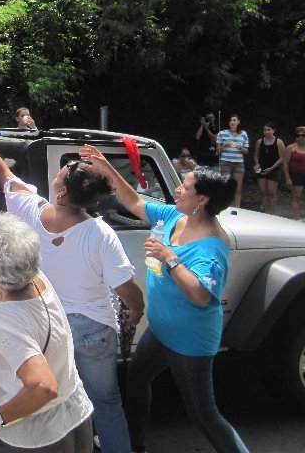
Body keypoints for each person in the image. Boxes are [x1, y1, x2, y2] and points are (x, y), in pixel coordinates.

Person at [0, 108, 144, 453]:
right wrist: (135, 310)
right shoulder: (101, 233)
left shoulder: (29, 210)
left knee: (52, 391)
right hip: (93, 328)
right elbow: (126, 289)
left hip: (43, 323)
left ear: (59, 193)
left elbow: (0, 169)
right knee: (105, 403)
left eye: (58, 176)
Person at [80, 144, 250, 453]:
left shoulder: (212, 247)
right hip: (161, 331)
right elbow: (132, 201)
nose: (177, 188)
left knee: (203, 414)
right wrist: (104, 164)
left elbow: (200, 296)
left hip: (190, 342)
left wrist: (169, 257)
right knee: (137, 376)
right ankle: (134, 443)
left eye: (185, 186)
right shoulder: (175, 216)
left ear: (202, 199)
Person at [0, 213, 94, 452]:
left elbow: (44, 386)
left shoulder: (2, 318)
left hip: (37, 438)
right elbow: (8, 243)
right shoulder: (37, 279)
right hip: (74, 417)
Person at [216, 114, 249, 208]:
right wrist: (224, 145)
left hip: (238, 163)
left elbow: (246, 151)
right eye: (231, 120)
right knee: (226, 186)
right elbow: (217, 150)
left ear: (238, 122)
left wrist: (240, 147)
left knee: (238, 188)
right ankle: (224, 207)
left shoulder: (243, 134)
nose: (232, 122)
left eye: (234, 120)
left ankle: (237, 209)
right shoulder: (222, 133)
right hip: (225, 162)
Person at [253, 122, 285, 215]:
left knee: (271, 193)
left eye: (269, 130)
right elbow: (256, 155)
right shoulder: (259, 141)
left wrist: (271, 168)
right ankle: (266, 213)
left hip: (274, 169)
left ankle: (271, 214)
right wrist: (257, 163)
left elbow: (282, 158)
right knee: (263, 192)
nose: (266, 132)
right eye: (265, 130)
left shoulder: (279, 142)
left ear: (273, 131)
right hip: (261, 169)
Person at [283, 126, 305, 221]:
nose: (300, 137)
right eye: (298, 135)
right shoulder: (291, 147)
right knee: (297, 196)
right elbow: (285, 163)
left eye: (303, 135)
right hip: (296, 174)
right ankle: (297, 218)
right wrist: (288, 178)